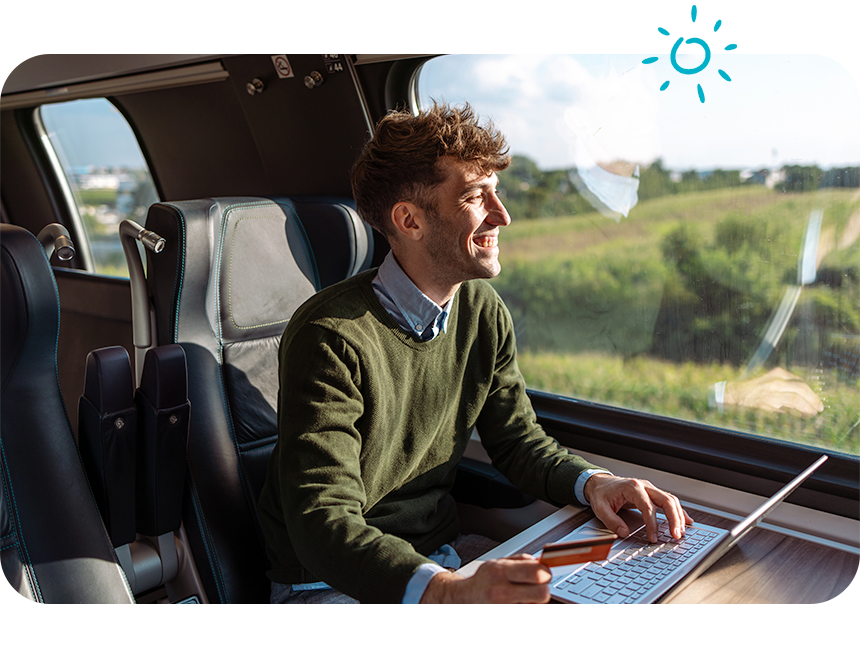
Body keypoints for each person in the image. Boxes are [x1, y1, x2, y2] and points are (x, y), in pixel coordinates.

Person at [256, 102, 692, 604]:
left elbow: (517, 441)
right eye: (474, 197)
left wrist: (595, 483)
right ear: (409, 220)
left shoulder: (481, 309)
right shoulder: (330, 335)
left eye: (496, 193)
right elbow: (321, 522)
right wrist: (444, 593)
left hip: (440, 555)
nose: (502, 216)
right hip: (332, 582)